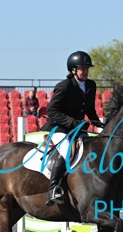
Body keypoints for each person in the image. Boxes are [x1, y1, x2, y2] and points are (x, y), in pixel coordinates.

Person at [40, 50, 104, 206]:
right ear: (73, 70)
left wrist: (98, 122)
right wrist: (73, 122)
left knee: (91, 148)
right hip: (59, 128)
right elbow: (52, 111)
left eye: (87, 68)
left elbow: (89, 109)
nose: (85, 71)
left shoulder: (91, 85)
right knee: (66, 150)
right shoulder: (64, 86)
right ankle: (53, 189)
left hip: (76, 129)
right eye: (82, 68)